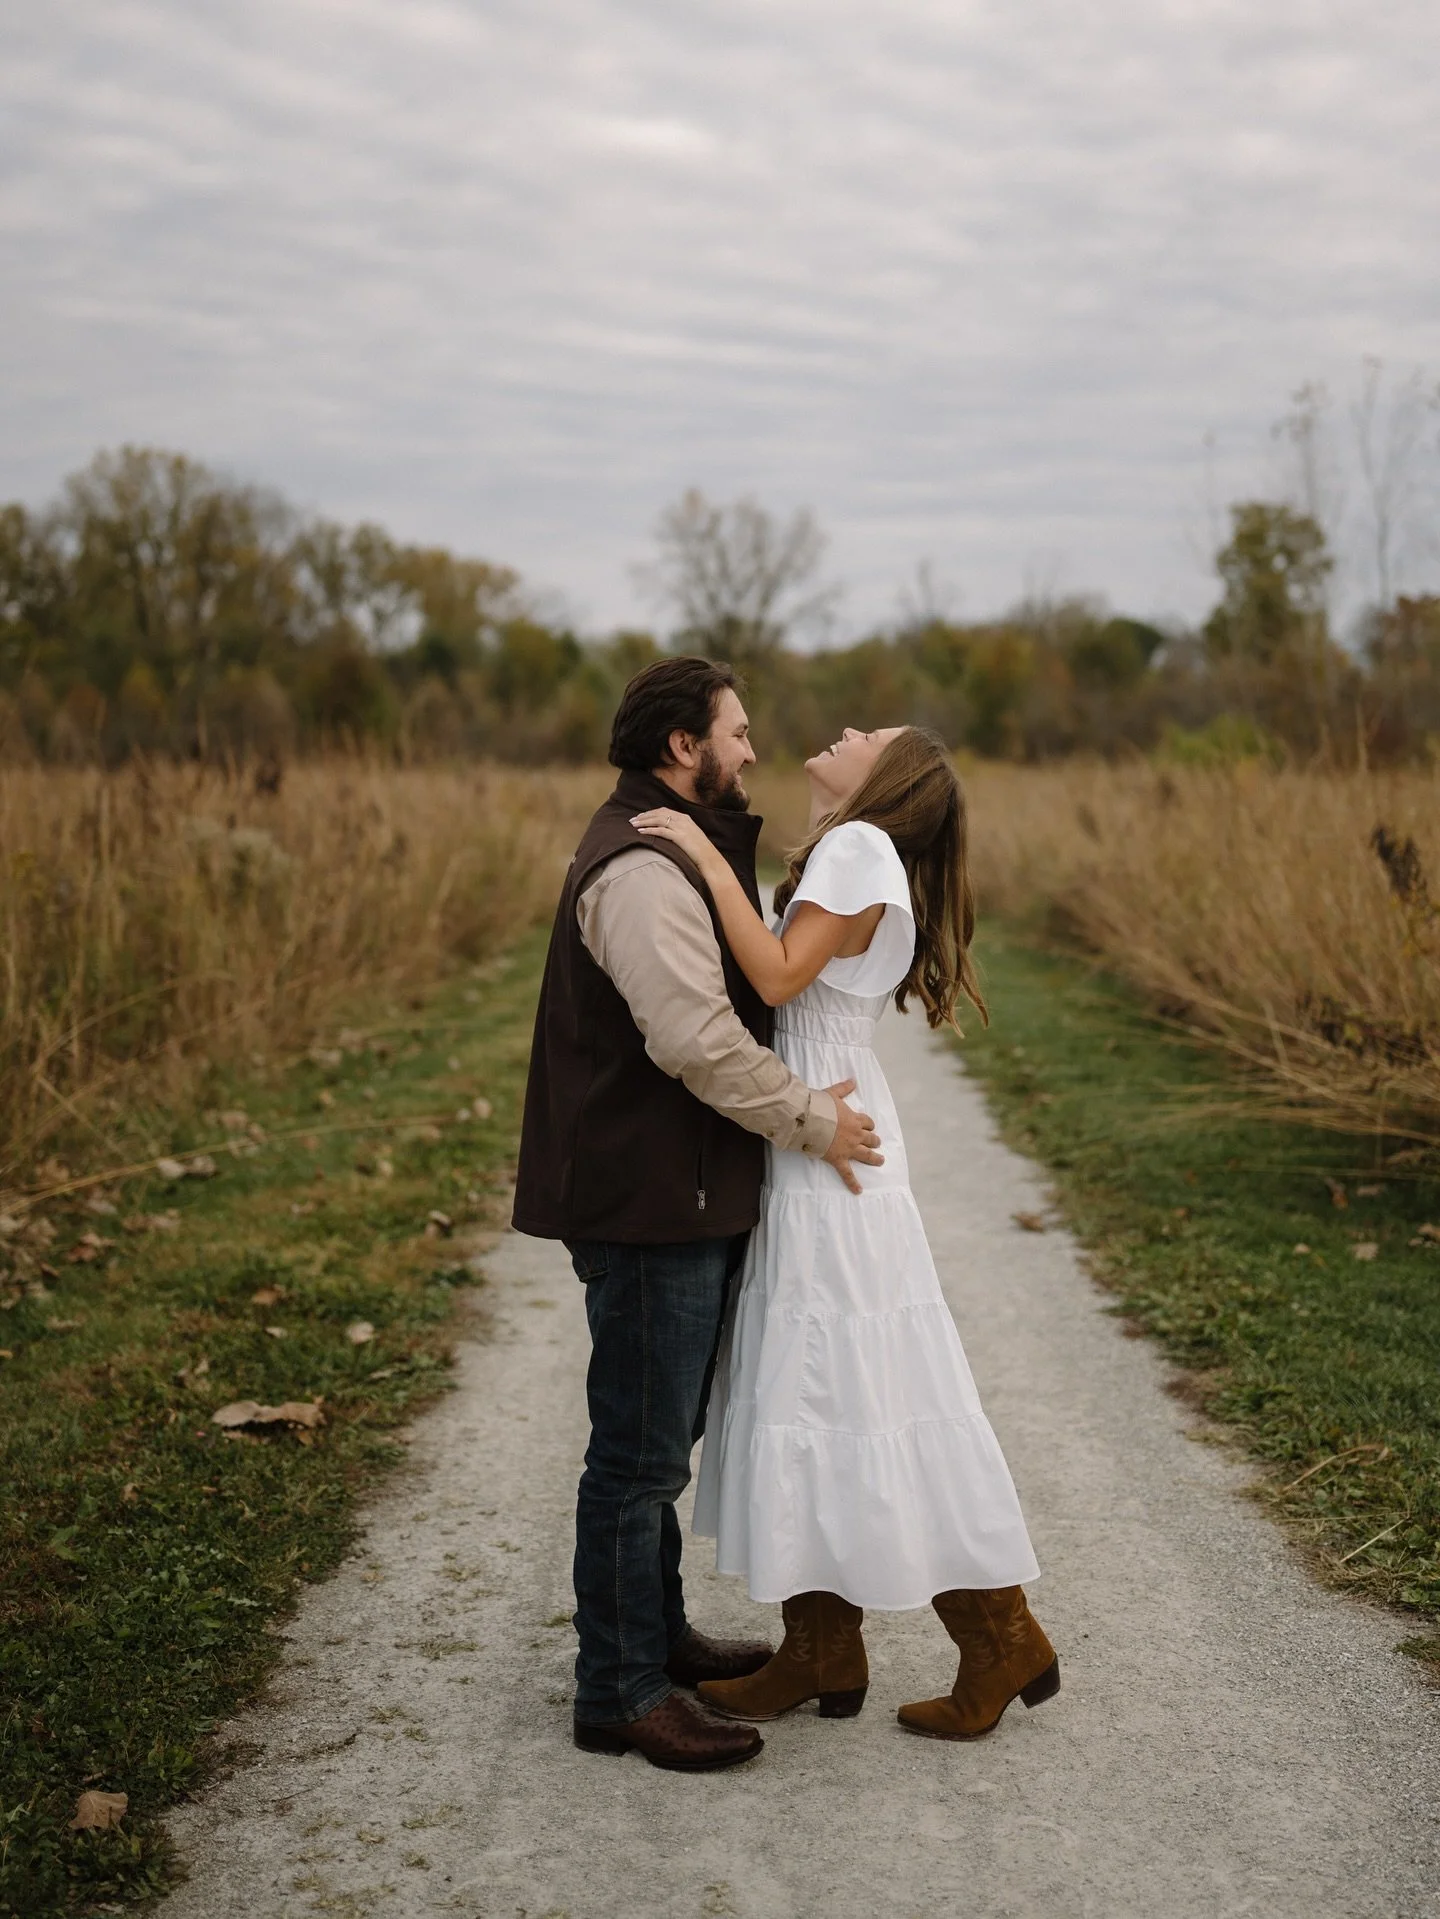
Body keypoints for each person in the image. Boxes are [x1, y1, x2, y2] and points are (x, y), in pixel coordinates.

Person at [631, 723, 1058, 1740]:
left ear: (889, 777)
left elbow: (779, 977)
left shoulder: (862, 849)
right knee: (812, 1379)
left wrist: (696, 850)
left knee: (862, 1381)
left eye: (874, 734)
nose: (850, 728)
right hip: (814, 1123)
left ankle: (999, 1633)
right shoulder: (850, 845)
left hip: (831, 1141)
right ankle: (823, 1646)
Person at [512, 657, 885, 1773]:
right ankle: (618, 1688)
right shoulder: (636, 866)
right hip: (644, 1202)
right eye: (738, 730)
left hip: (675, 1191)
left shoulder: (671, 843)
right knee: (635, 1456)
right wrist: (813, 1118)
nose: (754, 748)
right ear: (684, 746)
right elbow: (695, 1040)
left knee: (656, 1441)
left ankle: (655, 1636)